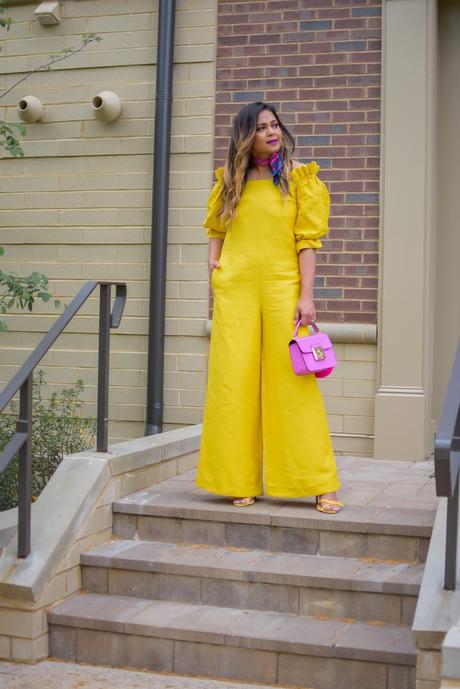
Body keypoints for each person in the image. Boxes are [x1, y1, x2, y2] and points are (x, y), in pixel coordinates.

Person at [196, 101, 343, 514]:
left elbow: (308, 240)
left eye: (275, 125)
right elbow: (216, 227)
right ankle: (236, 479)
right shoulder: (230, 181)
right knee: (233, 384)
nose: (272, 132)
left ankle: (319, 483)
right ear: (247, 136)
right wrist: (216, 261)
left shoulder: (299, 179)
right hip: (236, 289)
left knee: (293, 383)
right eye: (262, 127)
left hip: (283, 288)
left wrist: (307, 294)